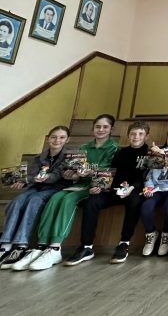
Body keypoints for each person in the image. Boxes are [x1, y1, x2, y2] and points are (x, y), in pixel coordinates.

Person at [28, 114, 118, 271]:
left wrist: (89, 173)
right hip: (79, 184)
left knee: (68, 200)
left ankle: (55, 247)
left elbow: (106, 173)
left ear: (111, 129)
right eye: (97, 126)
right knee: (55, 198)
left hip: (95, 187)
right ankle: (42, 245)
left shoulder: (114, 148)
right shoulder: (84, 148)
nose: (101, 129)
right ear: (92, 128)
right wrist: (72, 175)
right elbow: (76, 172)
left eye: (105, 127)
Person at [64, 121, 150, 266]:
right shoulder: (121, 152)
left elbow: (145, 177)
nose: (136, 137)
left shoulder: (149, 153)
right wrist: (99, 186)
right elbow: (111, 174)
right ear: (128, 135)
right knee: (92, 201)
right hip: (114, 190)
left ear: (146, 137)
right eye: (133, 134)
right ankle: (86, 246)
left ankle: (124, 243)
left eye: (140, 134)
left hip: (134, 190)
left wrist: (132, 187)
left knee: (134, 201)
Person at [0, 126, 71, 270]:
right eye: (53, 137)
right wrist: (23, 181)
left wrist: (43, 178)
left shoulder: (69, 157)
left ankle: (21, 245)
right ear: (48, 139)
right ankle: (6, 244)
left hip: (55, 188)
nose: (57, 140)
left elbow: (57, 176)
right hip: (36, 187)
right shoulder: (39, 157)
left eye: (62, 137)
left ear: (67, 140)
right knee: (18, 200)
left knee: (34, 200)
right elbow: (32, 175)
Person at [139, 126, 168, 257]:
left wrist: (162, 154)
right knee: (146, 207)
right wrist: (148, 187)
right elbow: (149, 175)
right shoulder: (157, 152)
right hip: (157, 189)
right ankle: (151, 233)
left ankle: (166, 234)